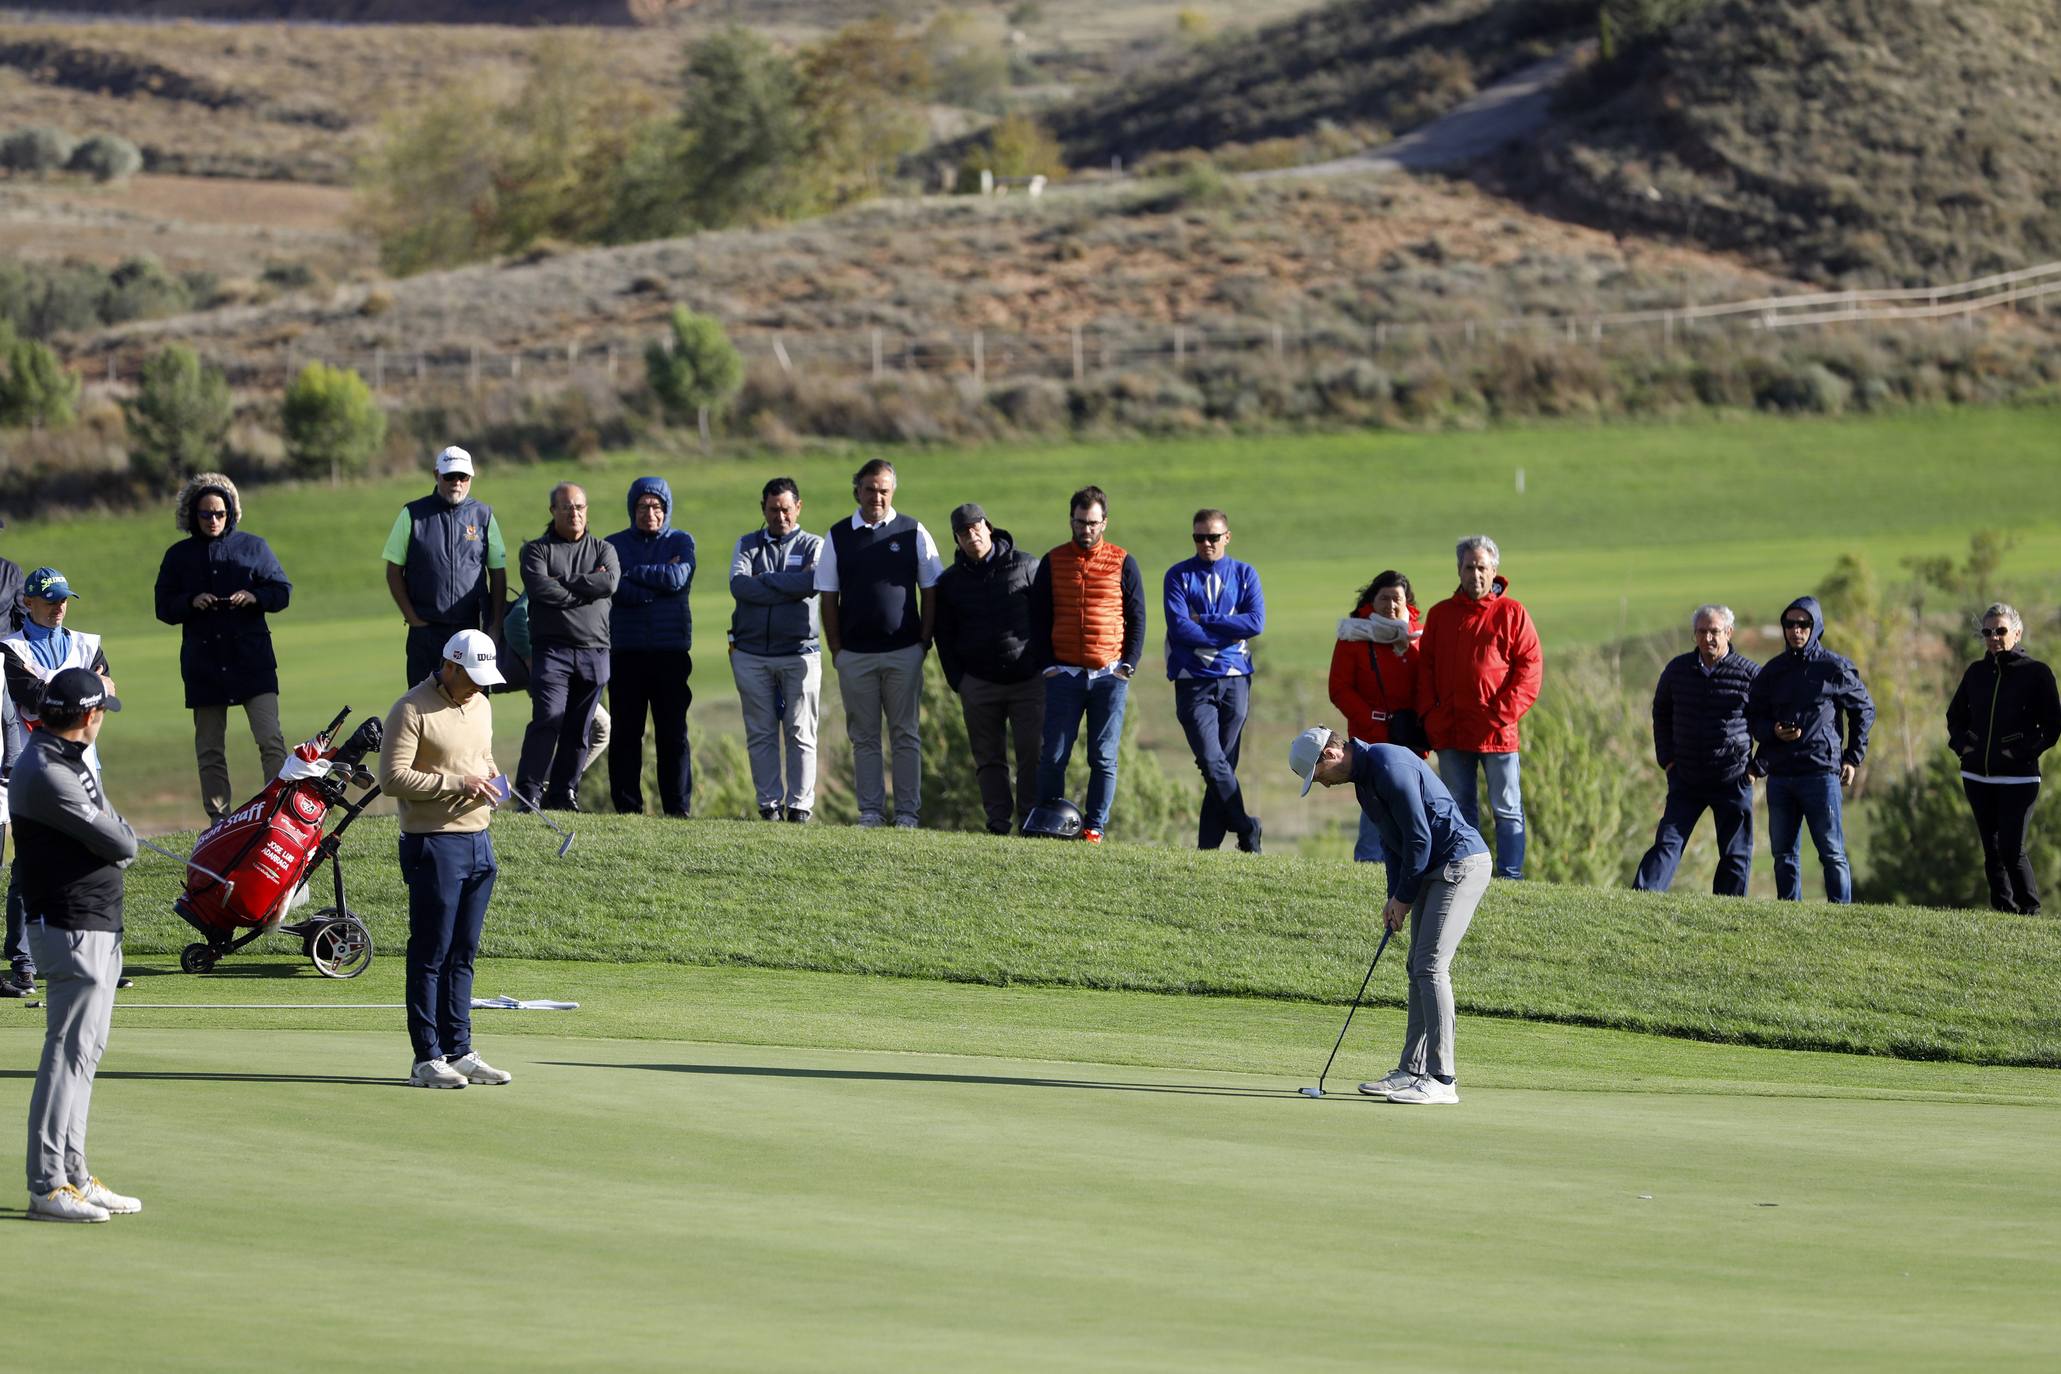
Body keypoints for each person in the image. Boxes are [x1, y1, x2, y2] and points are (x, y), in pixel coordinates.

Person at [1290, 725, 1490, 1106]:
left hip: (1460, 863)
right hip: (1434, 866)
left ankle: (1443, 1079)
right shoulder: (1365, 782)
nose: (1324, 786)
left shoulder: (1387, 765)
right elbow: (1391, 841)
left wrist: (1404, 896)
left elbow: (1419, 838)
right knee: (1417, 964)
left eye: (1319, 778)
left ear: (1330, 756)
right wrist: (1392, 898)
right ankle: (1412, 1071)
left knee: (1431, 966)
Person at [13, 667, 141, 1220]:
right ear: (89, 717)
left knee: (83, 1056)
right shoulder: (47, 769)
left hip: (94, 923)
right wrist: (121, 837)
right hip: (70, 927)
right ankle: (47, 1184)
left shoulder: (64, 758)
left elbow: (117, 837)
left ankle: (74, 1174)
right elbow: (120, 840)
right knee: (66, 1055)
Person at [378, 630, 511, 1089]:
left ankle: (460, 1049)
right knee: (431, 952)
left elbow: (483, 757)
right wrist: (458, 783)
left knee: (463, 952)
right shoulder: (411, 708)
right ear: (449, 666)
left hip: (479, 840)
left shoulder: (482, 704)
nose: (477, 685)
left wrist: (491, 778)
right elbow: (392, 778)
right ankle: (426, 1058)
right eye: (471, 677)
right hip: (432, 842)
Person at [1, 568, 116, 999]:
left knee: (91, 859)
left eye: (64, 600)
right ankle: (25, 961)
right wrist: (83, 687)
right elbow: (32, 703)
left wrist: (73, 690)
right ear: (28, 603)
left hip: (86, 764)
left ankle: (92, 957)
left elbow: (107, 689)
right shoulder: (9, 650)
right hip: (35, 770)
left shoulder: (86, 642)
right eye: (50, 601)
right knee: (31, 864)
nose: (59, 607)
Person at [152, 473, 293, 822]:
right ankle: (220, 821)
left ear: (231, 513)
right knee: (210, 749)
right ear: (192, 515)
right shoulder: (178, 556)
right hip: (205, 666)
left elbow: (282, 592)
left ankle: (276, 812)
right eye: (205, 514)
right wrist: (190, 601)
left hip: (253, 663)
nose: (213, 520)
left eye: (219, 514)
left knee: (270, 738)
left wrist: (255, 596)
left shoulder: (254, 548)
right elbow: (163, 606)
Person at [815, 459, 943, 828]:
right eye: (870, 489)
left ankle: (906, 814)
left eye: (884, 490)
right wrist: (837, 650)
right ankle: (871, 812)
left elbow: (930, 589)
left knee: (905, 734)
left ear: (893, 491)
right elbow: (828, 596)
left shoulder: (913, 531)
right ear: (857, 490)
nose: (877, 496)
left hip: (904, 651)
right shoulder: (838, 535)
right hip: (855, 655)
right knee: (865, 737)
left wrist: (923, 642)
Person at [1417, 535, 1541, 880]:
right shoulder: (1441, 615)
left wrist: (1501, 713)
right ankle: (1468, 871)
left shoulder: (1512, 613)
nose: (1475, 574)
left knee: (1507, 807)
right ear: (1458, 569)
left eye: (1481, 567)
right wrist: (1431, 713)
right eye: (1469, 567)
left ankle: (1511, 874)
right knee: (1458, 807)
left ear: (1494, 570)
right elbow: (1425, 667)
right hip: (1451, 730)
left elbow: (1529, 668)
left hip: (1497, 732)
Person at [1030, 487, 1144, 844]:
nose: (1086, 529)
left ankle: (1094, 828)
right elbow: (1036, 617)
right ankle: (1048, 822)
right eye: (1080, 522)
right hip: (1063, 674)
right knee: (1054, 754)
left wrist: (1128, 666)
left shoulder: (1123, 561)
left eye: (1093, 523)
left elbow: (1137, 617)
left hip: (1109, 676)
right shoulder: (1052, 561)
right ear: (1071, 521)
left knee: (1103, 757)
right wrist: (1047, 665)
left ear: (1104, 522)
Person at [1746, 595, 1874, 903]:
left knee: (1832, 852)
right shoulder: (1772, 671)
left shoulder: (1834, 668)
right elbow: (1753, 716)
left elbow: (1865, 709)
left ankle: (1840, 915)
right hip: (1780, 775)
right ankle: (1791, 916)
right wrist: (1772, 731)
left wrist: (1853, 757)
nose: (1796, 630)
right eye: (1790, 624)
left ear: (1815, 627)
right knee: (1783, 854)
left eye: (1803, 624)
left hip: (1821, 773)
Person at [1632, 604, 1760, 897]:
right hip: (1686, 777)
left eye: (1714, 632)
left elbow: (1769, 721)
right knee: (1667, 843)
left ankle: (1728, 908)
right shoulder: (1678, 670)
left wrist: (1756, 768)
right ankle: (1643, 898)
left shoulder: (1750, 674)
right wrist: (1667, 760)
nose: (1708, 639)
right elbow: (1660, 712)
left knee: (1735, 854)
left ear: (1729, 632)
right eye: (1701, 632)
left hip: (1732, 778)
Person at [934, 503, 1043, 835]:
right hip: (979, 683)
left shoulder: (1026, 566)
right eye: (964, 532)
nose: (972, 535)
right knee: (988, 760)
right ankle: (997, 823)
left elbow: (1047, 617)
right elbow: (944, 635)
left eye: (976, 527)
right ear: (957, 539)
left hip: (1029, 680)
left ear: (989, 528)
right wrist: (959, 681)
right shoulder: (950, 583)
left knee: (1033, 755)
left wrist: (1045, 666)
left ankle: (1031, 821)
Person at [1945, 603, 2060, 914]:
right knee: (1991, 850)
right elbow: (1954, 716)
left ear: (2017, 633)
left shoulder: (2036, 673)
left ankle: (2031, 911)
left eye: (2000, 631)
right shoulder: (1975, 673)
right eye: (1987, 632)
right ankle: (2004, 912)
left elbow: (2052, 727)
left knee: (2011, 848)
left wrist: (2019, 752)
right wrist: (1963, 747)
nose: (1993, 637)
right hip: (1976, 776)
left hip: (2019, 777)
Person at [1164, 507, 1265, 852]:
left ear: (1227, 537)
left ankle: (1207, 849)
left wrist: (1206, 620)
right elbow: (1180, 627)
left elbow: (1254, 623)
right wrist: (1227, 630)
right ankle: (1247, 828)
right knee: (1211, 759)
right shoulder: (1178, 576)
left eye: (1212, 537)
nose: (1205, 543)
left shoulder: (1245, 573)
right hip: (1193, 679)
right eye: (1198, 537)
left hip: (1237, 679)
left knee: (1222, 764)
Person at [515, 483, 620, 811]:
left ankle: (563, 792)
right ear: (553, 511)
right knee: (548, 718)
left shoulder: (604, 550)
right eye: (566, 508)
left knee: (580, 728)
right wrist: (587, 586)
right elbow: (542, 590)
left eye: (579, 507)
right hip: (552, 652)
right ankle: (529, 792)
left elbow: (609, 582)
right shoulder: (537, 551)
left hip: (595, 651)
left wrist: (564, 581)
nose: (574, 513)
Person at [730, 478, 823, 822]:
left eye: (786, 509)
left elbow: (813, 582)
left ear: (798, 507)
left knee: (800, 732)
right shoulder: (746, 544)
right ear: (763, 509)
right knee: (761, 732)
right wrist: (788, 586)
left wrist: (766, 579)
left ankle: (799, 807)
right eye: (773, 510)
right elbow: (740, 586)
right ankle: (769, 806)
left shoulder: (816, 545)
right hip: (752, 653)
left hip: (800, 653)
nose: (780, 516)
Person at [604, 477, 696, 817]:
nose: (650, 513)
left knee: (673, 735)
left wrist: (631, 575)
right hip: (625, 652)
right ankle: (628, 807)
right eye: (643, 506)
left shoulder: (682, 541)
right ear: (633, 509)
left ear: (666, 508)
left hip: (670, 652)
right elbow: (613, 588)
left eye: (657, 506)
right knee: (626, 734)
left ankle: (677, 808)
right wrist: (648, 585)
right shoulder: (612, 545)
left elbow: (677, 578)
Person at [383, 445, 507, 688]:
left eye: (463, 477)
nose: (456, 483)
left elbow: (498, 573)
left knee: (471, 706)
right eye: (450, 476)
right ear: (436, 474)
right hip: (426, 631)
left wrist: (495, 626)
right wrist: (413, 619)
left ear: (471, 477)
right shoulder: (412, 514)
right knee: (422, 705)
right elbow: (393, 571)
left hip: (471, 631)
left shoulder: (483, 516)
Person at [1329, 570, 1425, 865]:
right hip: (1370, 736)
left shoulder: (1419, 637)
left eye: (1397, 599)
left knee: (1411, 800)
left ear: (1407, 603)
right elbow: (1340, 689)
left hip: (1410, 737)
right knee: (1374, 799)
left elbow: (1428, 683)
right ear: (1372, 601)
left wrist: (1423, 726)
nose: (1391, 606)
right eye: (1384, 598)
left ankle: (1412, 860)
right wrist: (1373, 722)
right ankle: (1369, 861)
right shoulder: (1353, 635)